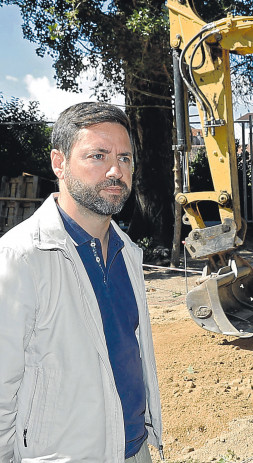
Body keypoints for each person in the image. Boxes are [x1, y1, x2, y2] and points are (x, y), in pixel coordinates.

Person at [0, 102, 163, 462]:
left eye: (124, 158)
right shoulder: (21, 257)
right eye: (97, 156)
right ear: (59, 163)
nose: (115, 171)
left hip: (135, 450)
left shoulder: (128, 252)